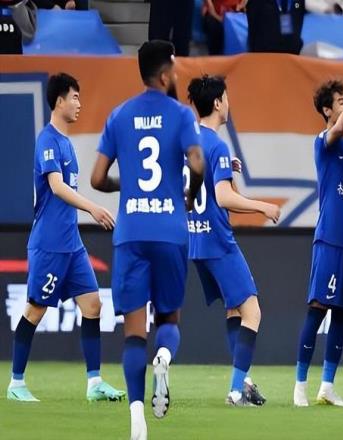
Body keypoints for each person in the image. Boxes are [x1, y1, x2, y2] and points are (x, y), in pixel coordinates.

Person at [91, 41, 204, 439]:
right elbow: (197, 162)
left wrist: (127, 185)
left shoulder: (119, 115)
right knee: (169, 319)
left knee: (134, 333)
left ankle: (137, 418)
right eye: (174, 67)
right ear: (164, 74)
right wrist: (189, 195)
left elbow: (96, 179)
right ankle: (165, 356)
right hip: (170, 231)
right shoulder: (181, 114)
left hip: (131, 233)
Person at [7, 73, 124, 403]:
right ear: (59, 101)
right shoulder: (47, 140)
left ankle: (94, 383)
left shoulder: (66, 143)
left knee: (93, 305)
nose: (79, 104)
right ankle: (16, 383)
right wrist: (93, 208)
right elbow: (57, 188)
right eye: (74, 97)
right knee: (35, 311)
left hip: (71, 244)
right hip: (49, 244)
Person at [187, 74, 280, 406]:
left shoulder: (188, 142)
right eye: (226, 97)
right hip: (217, 240)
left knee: (234, 311)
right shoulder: (217, 145)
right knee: (253, 312)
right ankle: (236, 390)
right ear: (217, 103)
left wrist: (226, 169)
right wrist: (262, 206)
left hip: (195, 240)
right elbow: (224, 197)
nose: (229, 103)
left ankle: (245, 382)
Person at [293, 76, 343, 407]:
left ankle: (327, 385)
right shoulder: (324, 141)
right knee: (317, 310)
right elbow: (340, 127)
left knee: (342, 314)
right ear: (327, 110)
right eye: (341, 101)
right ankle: (300, 386)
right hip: (329, 238)